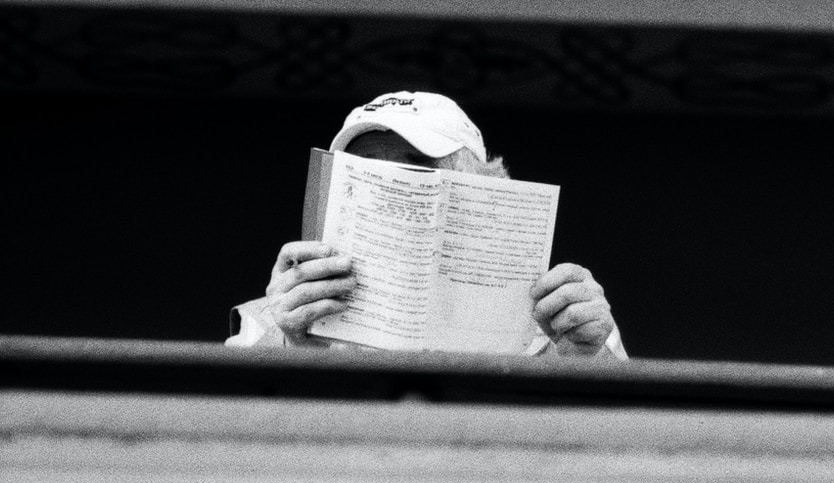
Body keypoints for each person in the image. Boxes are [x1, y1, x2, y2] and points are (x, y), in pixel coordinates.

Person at [226, 91, 625, 358]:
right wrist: (288, 343)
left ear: (486, 189)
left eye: (416, 169)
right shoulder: (272, 317)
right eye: (364, 173)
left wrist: (588, 359)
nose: (389, 188)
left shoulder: (562, 316)